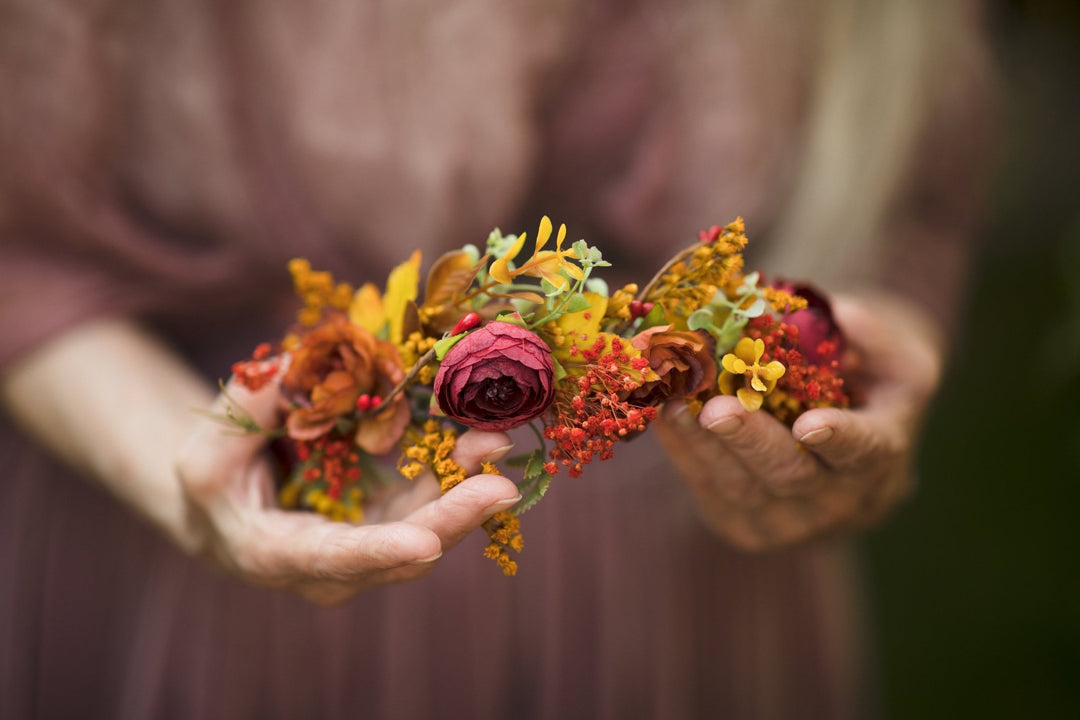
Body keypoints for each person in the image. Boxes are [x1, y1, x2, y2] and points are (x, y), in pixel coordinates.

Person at [0, 1, 991, 718]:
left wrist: (869, 347)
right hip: (211, 591)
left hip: (692, 585)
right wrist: (186, 457)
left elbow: (911, 175)